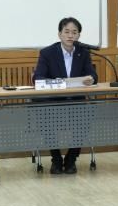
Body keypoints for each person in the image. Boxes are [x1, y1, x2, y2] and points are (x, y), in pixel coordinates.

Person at [33, 17, 98, 174]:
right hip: (53, 102)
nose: (70, 35)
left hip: (76, 101)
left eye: (74, 32)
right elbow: (38, 77)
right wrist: (57, 82)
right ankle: (56, 159)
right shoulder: (47, 53)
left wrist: (91, 78)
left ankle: (71, 159)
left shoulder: (83, 53)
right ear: (59, 34)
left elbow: (93, 74)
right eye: (67, 32)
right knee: (45, 119)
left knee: (85, 117)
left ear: (78, 36)